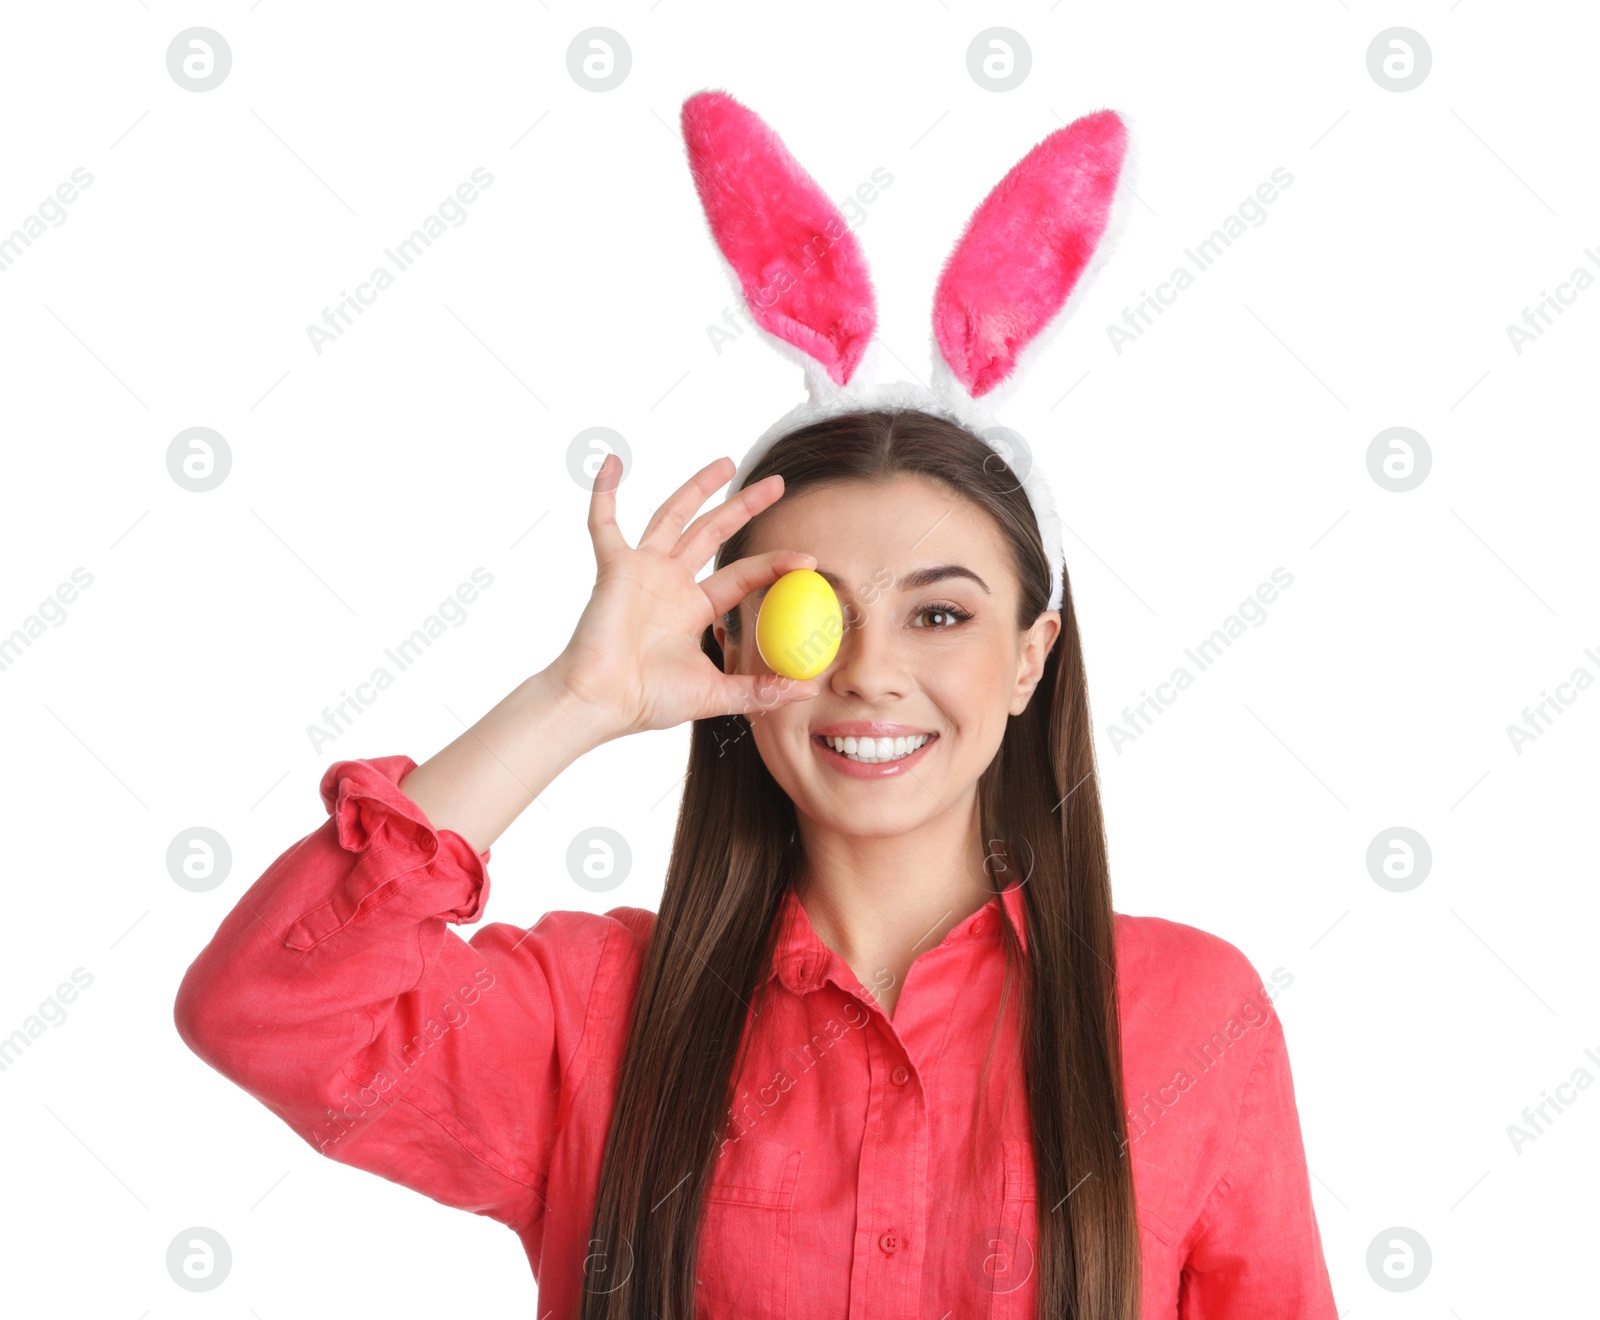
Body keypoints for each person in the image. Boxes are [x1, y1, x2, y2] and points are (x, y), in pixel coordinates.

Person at [173, 408, 1339, 1318]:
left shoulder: (1191, 1016)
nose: (870, 675)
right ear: (729, 640)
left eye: (939, 617)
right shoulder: (596, 1011)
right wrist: (575, 701)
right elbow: (268, 1009)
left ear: (1031, 659)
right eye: (811, 614)